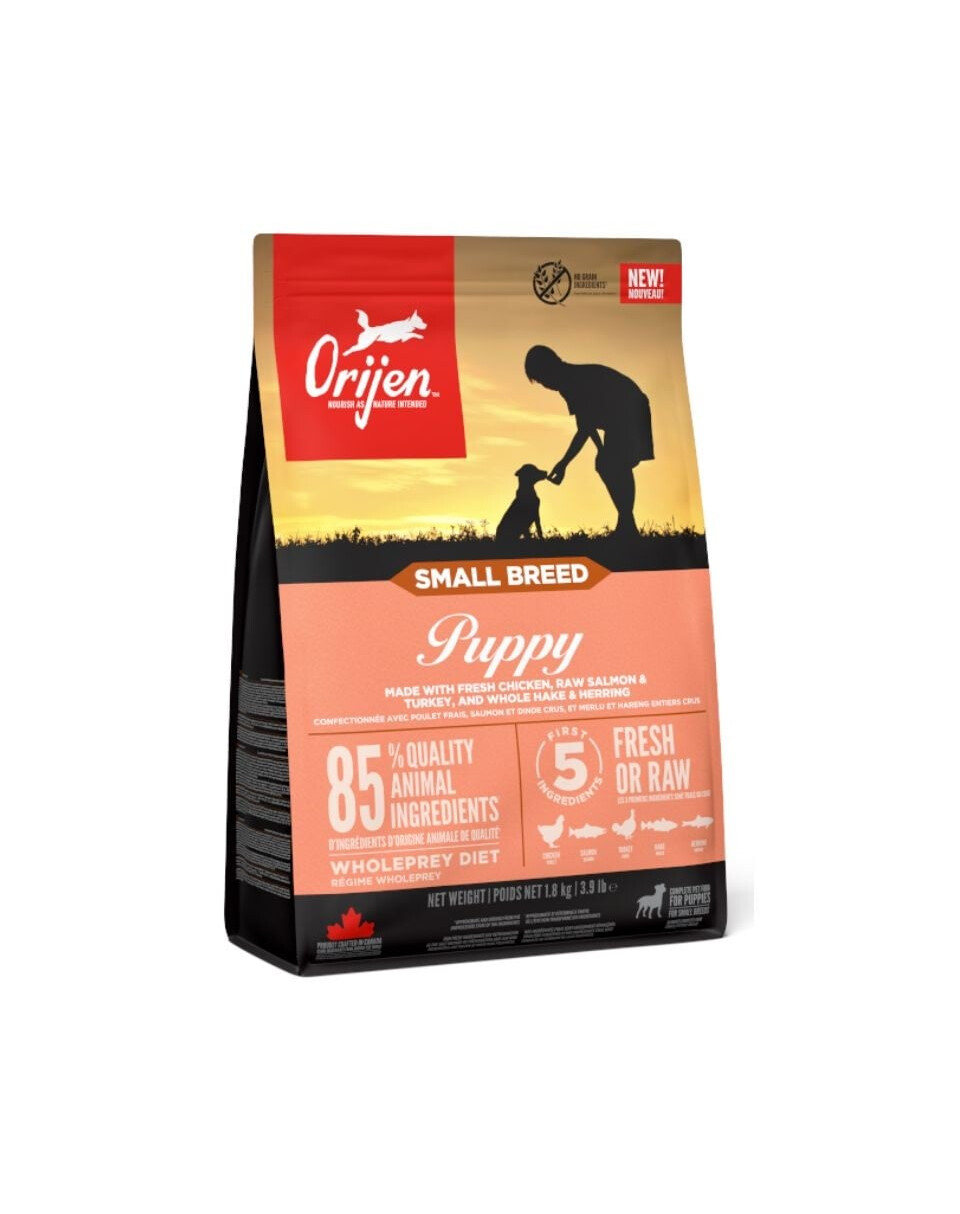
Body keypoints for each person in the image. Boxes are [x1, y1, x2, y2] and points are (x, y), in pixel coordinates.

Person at [524, 345, 654, 536]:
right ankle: (627, 523)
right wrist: (601, 449)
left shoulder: (573, 382)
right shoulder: (568, 383)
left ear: (549, 368)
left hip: (631, 409)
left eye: (542, 379)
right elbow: (587, 423)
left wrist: (564, 463)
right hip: (620, 417)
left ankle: (627, 524)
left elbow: (584, 430)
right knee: (607, 463)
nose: (545, 385)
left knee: (615, 464)